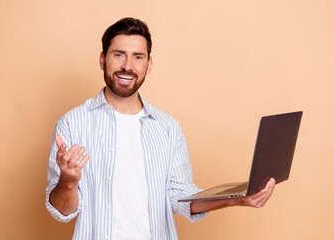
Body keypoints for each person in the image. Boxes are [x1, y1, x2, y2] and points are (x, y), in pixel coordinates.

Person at [45, 17, 275, 240]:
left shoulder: (167, 128)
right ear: (102, 60)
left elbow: (182, 199)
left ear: (149, 64)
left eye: (138, 57)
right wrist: (68, 181)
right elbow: (62, 212)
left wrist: (238, 198)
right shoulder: (72, 123)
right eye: (118, 55)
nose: (128, 66)